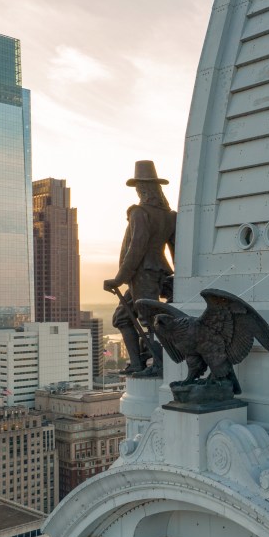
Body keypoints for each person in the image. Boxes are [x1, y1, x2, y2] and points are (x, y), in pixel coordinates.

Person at [104, 160, 176, 376]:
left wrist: (119, 278)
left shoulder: (139, 212)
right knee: (123, 317)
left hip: (142, 273)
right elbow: (176, 253)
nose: (138, 191)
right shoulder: (170, 216)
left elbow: (137, 247)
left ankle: (159, 365)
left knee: (149, 321)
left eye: (138, 188)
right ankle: (137, 363)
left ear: (144, 189)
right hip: (155, 273)